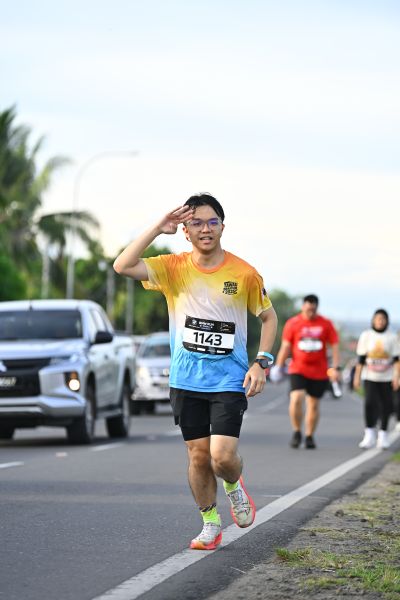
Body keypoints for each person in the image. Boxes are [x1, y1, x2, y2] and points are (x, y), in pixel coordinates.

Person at [113, 193, 277, 550]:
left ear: (222, 227)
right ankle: (210, 524)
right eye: (196, 223)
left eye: (212, 222)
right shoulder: (172, 268)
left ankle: (233, 485)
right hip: (185, 380)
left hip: (229, 379)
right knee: (199, 456)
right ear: (185, 231)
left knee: (222, 456)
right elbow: (122, 265)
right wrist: (158, 228)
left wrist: (261, 362)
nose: (205, 229)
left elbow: (268, 317)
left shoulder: (244, 273)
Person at [271, 294, 340, 449]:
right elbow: (286, 346)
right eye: (308, 309)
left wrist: (335, 367)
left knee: (313, 404)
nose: (310, 312)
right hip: (298, 368)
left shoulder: (326, 324)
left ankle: (309, 435)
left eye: (313, 310)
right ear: (303, 307)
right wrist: (278, 366)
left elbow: (334, 346)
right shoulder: (293, 323)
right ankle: (297, 431)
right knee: (296, 397)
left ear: (317, 308)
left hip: (319, 370)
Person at [353, 309, 400, 449]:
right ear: (373, 320)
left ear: (387, 321)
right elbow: (361, 359)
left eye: (383, 319)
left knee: (386, 405)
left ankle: (383, 434)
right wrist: (357, 377)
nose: (380, 321)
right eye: (378, 319)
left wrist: (396, 377)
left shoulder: (391, 337)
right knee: (369, 403)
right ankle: (369, 433)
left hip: (387, 377)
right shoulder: (366, 336)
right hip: (370, 376)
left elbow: (396, 360)